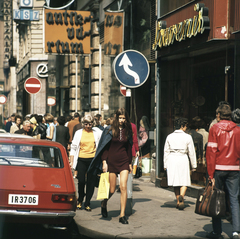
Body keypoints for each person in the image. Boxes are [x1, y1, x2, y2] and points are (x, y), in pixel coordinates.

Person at [88, 108, 133, 224]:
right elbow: (105, 148)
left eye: (124, 118)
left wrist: (129, 163)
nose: (122, 120)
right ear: (116, 118)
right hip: (111, 161)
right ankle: (104, 202)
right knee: (112, 189)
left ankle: (122, 215)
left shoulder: (128, 130)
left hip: (123, 161)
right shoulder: (109, 129)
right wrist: (104, 161)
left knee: (123, 187)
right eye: (120, 118)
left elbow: (129, 148)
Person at [206, 104, 240, 239]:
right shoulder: (237, 130)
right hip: (235, 168)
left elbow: (211, 152)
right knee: (234, 199)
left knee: (216, 199)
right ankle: (236, 231)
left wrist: (210, 174)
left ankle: (217, 231)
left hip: (219, 168)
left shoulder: (215, 129)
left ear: (219, 115)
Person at [69, 114, 102, 212]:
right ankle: (80, 200)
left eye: (90, 124)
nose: (88, 126)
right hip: (81, 159)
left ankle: (87, 202)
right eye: (86, 124)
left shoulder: (97, 132)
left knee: (91, 182)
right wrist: (71, 161)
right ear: (83, 124)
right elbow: (73, 147)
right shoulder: (79, 133)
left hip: (92, 160)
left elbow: (101, 144)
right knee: (81, 181)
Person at [163, 117, 197, 210]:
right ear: (182, 126)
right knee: (184, 180)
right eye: (185, 126)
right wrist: (194, 165)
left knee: (176, 182)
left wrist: (165, 164)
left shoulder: (169, 136)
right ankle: (182, 195)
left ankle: (178, 200)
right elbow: (191, 152)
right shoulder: (188, 137)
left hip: (172, 159)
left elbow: (166, 151)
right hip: (183, 158)